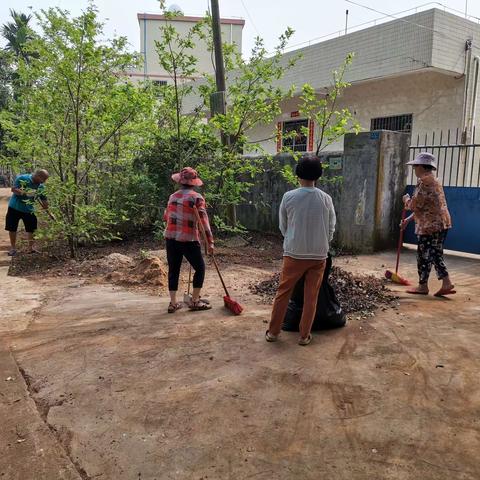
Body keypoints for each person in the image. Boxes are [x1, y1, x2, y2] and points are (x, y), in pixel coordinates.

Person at [266, 155, 336, 346]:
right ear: (319, 175)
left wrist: (292, 239)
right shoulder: (326, 199)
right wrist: (323, 243)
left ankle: (273, 332)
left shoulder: (289, 197)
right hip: (319, 255)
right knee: (311, 296)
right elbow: (331, 227)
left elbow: (283, 226)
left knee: (283, 292)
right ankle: (304, 336)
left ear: (297, 173)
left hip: (294, 253)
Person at [401, 152, 455, 297]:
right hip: (441, 223)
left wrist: (406, 200)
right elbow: (424, 208)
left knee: (425, 255)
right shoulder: (434, 181)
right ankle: (444, 283)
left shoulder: (424, 183)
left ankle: (425, 286)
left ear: (423, 167)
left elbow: (413, 205)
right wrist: (408, 220)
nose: (414, 169)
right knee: (435, 253)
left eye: (415, 166)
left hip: (430, 226)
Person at [164, 167, 214, 313]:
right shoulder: (197, 198)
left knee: (173, 270)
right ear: (193, 183)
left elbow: (166, 217)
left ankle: (173, 303)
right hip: (189, 240)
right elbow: (204, 222)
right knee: (200, 268)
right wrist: (210, 242)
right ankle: (195, 301)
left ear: (180, 181)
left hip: (171, 238)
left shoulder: (172, 197)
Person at [5, 169, 51, 256]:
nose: (44, 182)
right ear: (38, 176)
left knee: (31, 228)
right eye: (43, 179)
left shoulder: (41, 187)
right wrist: (25, 193)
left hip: (29, 209)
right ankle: (13, 248)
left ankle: (30, 248)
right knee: (12, 227)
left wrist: (46, 206)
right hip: (15, 207)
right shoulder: (22, 178)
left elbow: (44, 199)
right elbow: (14, 189)